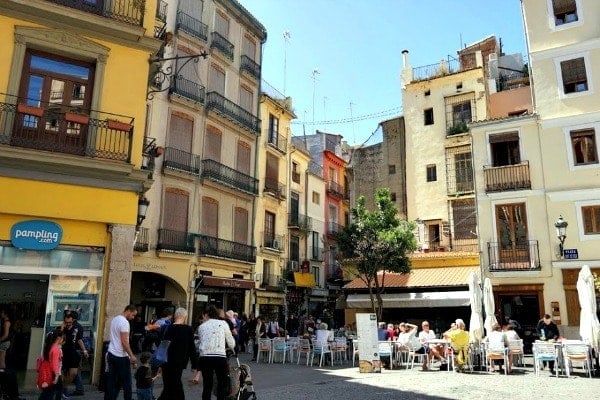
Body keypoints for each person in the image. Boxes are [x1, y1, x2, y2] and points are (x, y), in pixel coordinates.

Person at [156, 308, 197, 400]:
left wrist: (159, 363)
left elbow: (162, 345)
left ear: (175, 316)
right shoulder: (188, 329)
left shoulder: (166, 328)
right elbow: (192, 348)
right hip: (179, 361)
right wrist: (194, 364)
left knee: (168, 384)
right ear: (185, 317)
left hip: (166, 360)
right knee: (175, 384)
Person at [197, 305, 236, 400]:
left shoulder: (201, 326)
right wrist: (231, 347)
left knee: (207, 385)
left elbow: (201, 342)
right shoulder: (223, 324)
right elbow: (231, 342)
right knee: (222, 383)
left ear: (206, 315)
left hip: (205, 357)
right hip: (220, 357)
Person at [105, 304, 138, 400]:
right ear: (129, 311)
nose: (133, 317)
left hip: (111, 353)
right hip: (121, 356)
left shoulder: (115, 319)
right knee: (127, 383)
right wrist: (131, 356)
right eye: (133, 315)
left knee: (112, 381)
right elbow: (124, 342)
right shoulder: (124, 323)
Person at [61, 312, 88, 397]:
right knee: (63, 374)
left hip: (73, 353)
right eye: (66, 322)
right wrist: (62, 328)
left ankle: (64, 389)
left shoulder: (77, 328)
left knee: (73, 373)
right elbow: (58, 339)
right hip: (63, 353)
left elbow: (79, 340)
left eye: (70, 322)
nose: (68, 324)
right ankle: (62, 391)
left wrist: (84, 350)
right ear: (64, 321)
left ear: (73, 320)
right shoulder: (62, 328)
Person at [38, 329, 63, 400]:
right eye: (62, 338)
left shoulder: (50, 347)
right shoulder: (56, 349)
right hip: (53, 373)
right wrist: (57, 376)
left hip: (49, 372)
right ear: (59, 338)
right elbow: (55, 364)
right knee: (50, 392)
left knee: (47, 392)